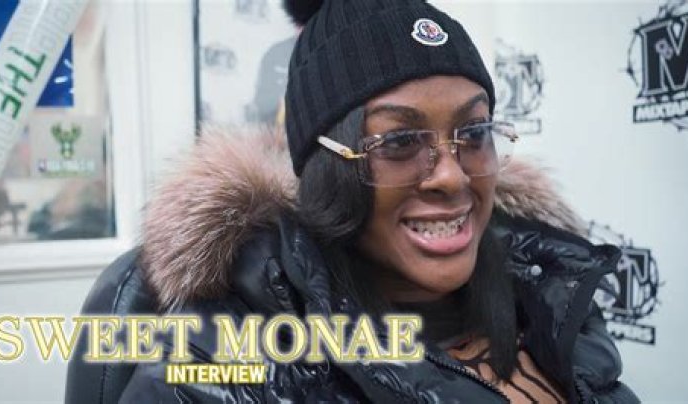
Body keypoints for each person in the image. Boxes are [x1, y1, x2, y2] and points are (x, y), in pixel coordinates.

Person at [116, 0, 639, 402]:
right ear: (323, 170)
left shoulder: (550, 294)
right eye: (399, 141)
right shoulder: (212, 368)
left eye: (474, 132)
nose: (451, 176)